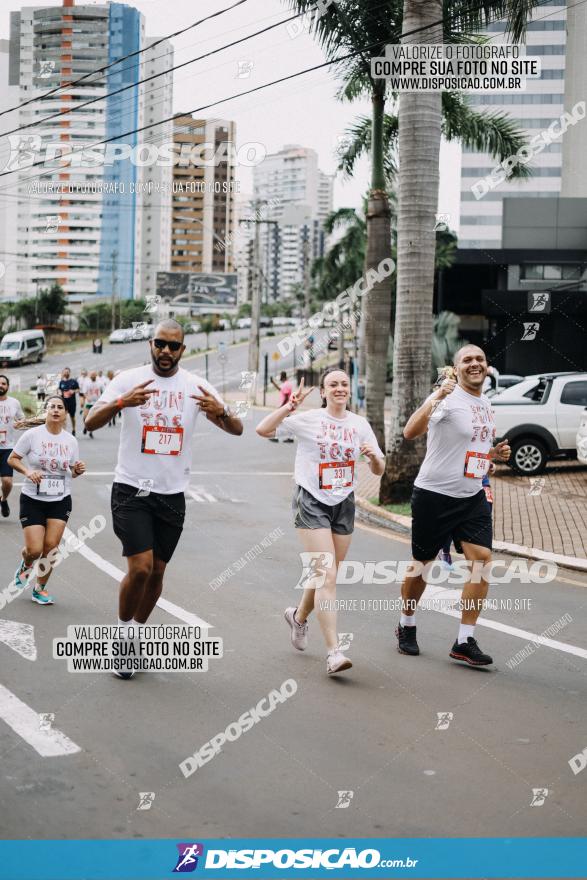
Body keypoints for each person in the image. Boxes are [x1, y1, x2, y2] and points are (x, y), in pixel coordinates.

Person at [84, 319, 243, 679]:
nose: (166, 351)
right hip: (131, 489)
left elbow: (237, 428)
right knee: (139, 567)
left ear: (183, 349)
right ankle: (122, 640)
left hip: (172, 494)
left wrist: (221, 412)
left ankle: (136, 633)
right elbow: (91, 422)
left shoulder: (196, 385)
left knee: (157, 572)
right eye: (160, 344)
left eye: (174, 346)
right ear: (150, 345)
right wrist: (124, 402)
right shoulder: (128, 380)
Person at [256, 367, 385, 676]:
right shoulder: (309, 420)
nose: (339, 388)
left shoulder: (360, 425)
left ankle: (298, 618)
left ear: (349, 390)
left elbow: (379, 469)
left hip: (343, 503)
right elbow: (263, 430)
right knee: (326, 575)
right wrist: (289, 406)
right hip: (312, 499)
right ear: (324, 392)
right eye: (332, 384)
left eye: (343, 383)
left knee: (325, 575)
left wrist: (374, 458)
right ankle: (334, 653)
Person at [397, 345, 510, 667]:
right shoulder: (446, 399)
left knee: (482, 561)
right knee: (423, 564)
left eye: (480, 360)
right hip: (434, 494)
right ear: (457, 368)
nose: (475, 364)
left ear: (487, 367)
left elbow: (472, 448)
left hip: (471, 495)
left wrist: (491, 458)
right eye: (467, 360)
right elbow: (410, 431)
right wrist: (435, 398)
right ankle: (406, 624)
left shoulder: (485, 403)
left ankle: (464, 640)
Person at [8, 395, 86, 605]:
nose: (56, 410)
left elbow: (72, 471)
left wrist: (77, 469)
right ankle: (25, 566)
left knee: (51, 546)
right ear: (46, 411)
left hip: (60, 499)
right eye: (51, 406)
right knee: (34, 550)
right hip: (33, 498)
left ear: (64, 414)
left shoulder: (70, 440)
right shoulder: (32, 435)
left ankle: (39, 588)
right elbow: (12, 459)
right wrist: (28, 472)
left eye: (60, 407)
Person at [0, 374, 25, 518]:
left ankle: (4, 499)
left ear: (7, 387)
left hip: (7, 447)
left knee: (7, 482)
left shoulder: (14, 403)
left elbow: (22, 420)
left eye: (3, 383)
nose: (1, 385)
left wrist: (19, 423)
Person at [269, 371, 294, 443]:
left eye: (280, 376)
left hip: (285, 407)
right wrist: (273, 383)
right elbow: (281, 390)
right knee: (286, 422)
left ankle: (277, 437)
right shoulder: (286, 384)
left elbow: (286, 396)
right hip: (287, 406)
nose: (279, 377)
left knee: (278, 421)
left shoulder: (286, 385)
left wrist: (281, 406)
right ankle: (290, 437)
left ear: (282, 377)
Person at [58, 367, 80, 436]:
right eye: (65, 372)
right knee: (64, 418)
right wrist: (59, 392)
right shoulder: (61, 382)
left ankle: (73, 429)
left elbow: (78, 389)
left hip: (72, 403)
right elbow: (59, 389)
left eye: (67, 372)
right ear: (63, 373)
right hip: (64, 402)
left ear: (69, 373)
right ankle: (64, 432)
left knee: (72, 417)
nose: (66, 373)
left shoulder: (73, 381)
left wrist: (73, 391)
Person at [82, 371, 102, 437]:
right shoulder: (87, 383)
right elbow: (84, 392)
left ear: (96, 376)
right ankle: (85, 427)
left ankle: (91, 431)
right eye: (92, 375)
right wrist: (87, 397)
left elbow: (102, 391)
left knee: (93, 418)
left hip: (95, 403)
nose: (93, 376)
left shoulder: (99, 383)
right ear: (90, 376)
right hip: (88, 402)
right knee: (85, 417)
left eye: (94, 375)